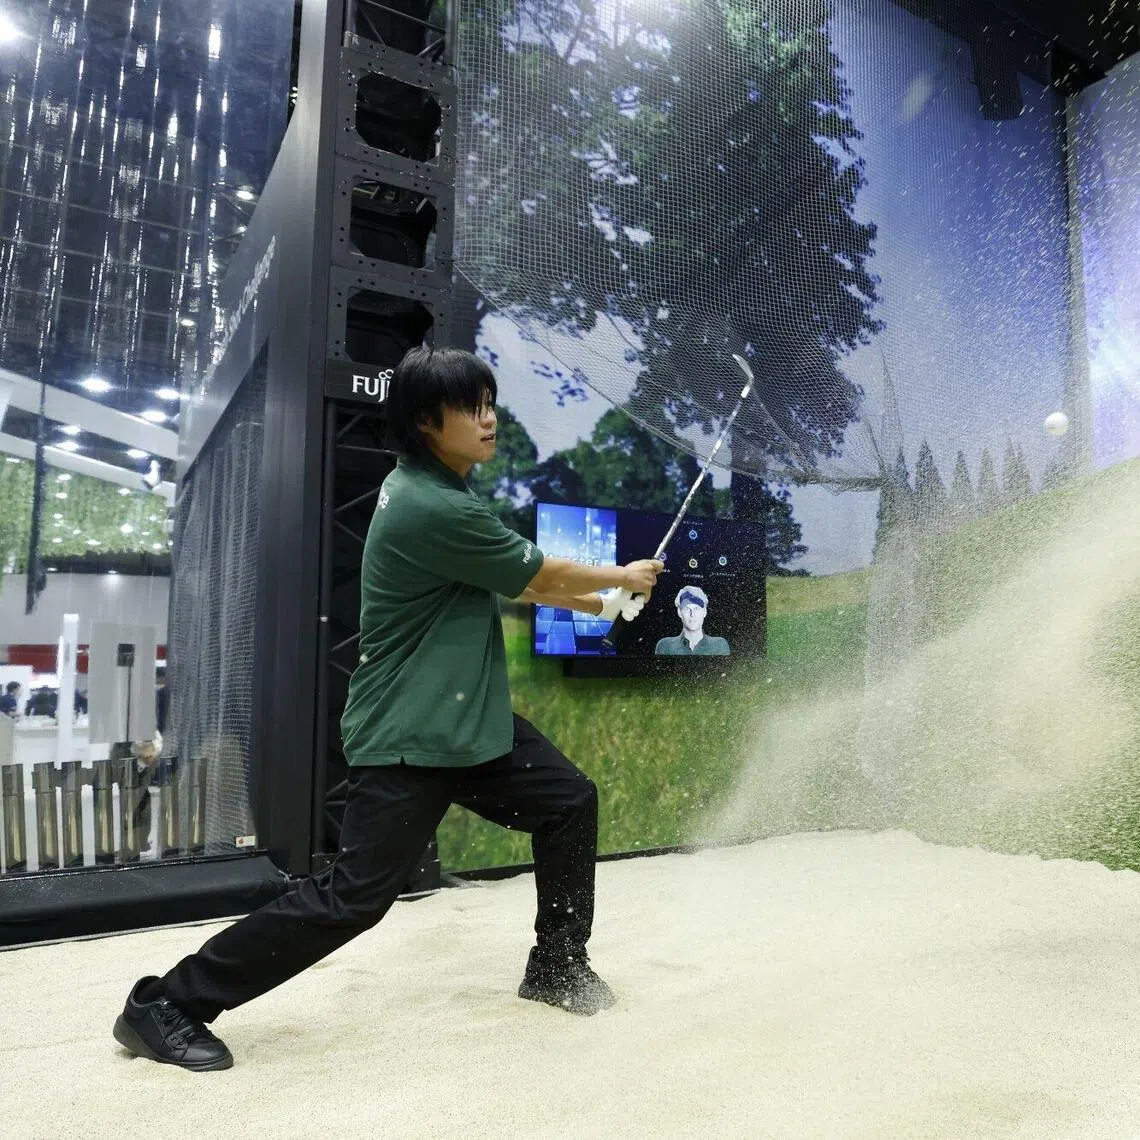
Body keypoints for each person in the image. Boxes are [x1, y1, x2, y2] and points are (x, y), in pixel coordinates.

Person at [112, 346, 662, 1072]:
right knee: (353, 898)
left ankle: (557, 966)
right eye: (473, 407)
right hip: (413, 731)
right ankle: (168, 1004)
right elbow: (538, 570)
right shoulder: (432, 506)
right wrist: (621, 574)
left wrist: (600, 602)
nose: (490, 419)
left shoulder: (441, 493)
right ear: (427, 422)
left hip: (466, 725)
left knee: (568, 801)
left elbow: (520, 581)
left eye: (490, 401)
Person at [654, 585, 730, 656]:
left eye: (696, 608)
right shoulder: (665, 646)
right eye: (687, 609)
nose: (692, 614)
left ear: (705, 612)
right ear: (679, 612)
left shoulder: (719, 645)